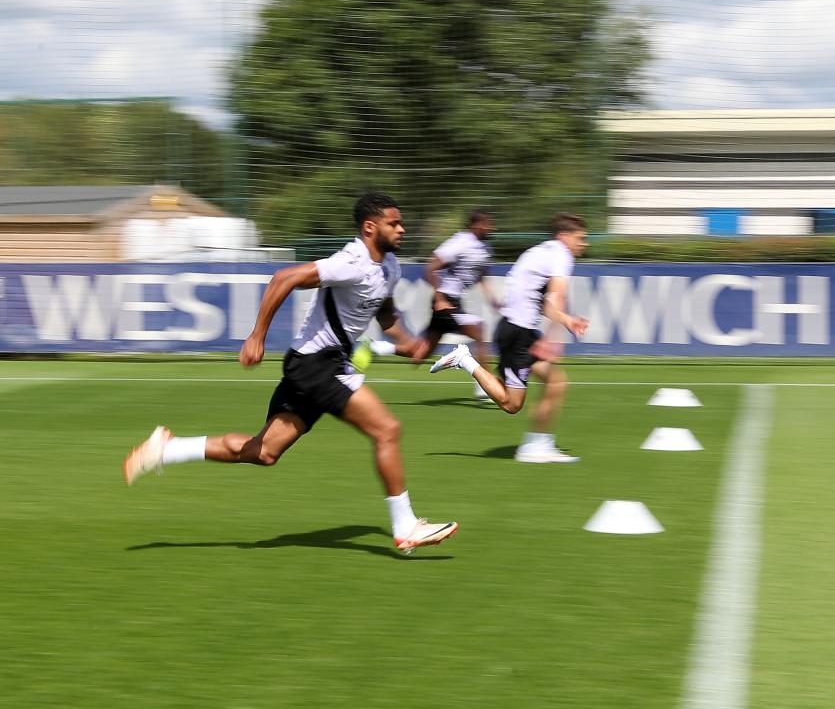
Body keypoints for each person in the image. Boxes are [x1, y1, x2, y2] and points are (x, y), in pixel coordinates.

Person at [122, 191, 458, 555]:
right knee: (387, 429)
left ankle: (168, 449)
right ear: (369, 227)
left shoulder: (389, 266)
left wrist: (417, 339)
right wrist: (257, 336)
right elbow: (284, 278)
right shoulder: (350, 262)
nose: (402, 229)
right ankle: (405, 526)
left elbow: (386, 314)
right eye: (394, 223)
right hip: (317, 365)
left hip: (318, 365)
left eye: (401, 223)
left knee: (263, 452)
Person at [428, 213, 589, 463]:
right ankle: (464, 360)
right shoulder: (561, 255)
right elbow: (557, 296)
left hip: (519, 331)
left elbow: (542, 303)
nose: (584, 244)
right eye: (580, 238)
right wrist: (551, 340)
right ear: (563, 236)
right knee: (511, 404)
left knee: (556, 383)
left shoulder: (542, 252)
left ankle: (538, 445)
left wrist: (566, 320)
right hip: (517, 334)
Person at [422, 209, 503, 400]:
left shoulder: (485, 249)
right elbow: (431, 267)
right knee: (479, 331)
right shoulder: (461, 242)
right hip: (445, 300)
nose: (491, 228)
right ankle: (483, 387)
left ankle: (376, 347)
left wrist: (493, 300)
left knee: (419, 353)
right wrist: (439, 298)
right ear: (475, 225)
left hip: (453, 301)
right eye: (487, 224)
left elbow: (481, 276)